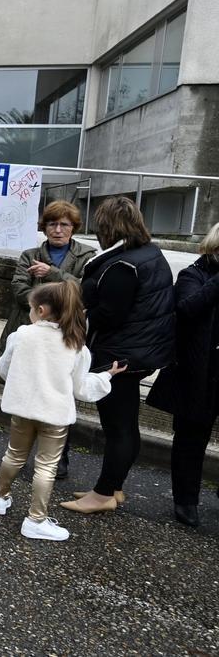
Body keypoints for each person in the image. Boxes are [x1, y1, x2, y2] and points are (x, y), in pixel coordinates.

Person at [61, 197, 174, 515]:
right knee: (124, 425)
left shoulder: (124, 265)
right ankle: (114, 487)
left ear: (108, 227)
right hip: (138, 351)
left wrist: (85, 307)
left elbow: (111, 314)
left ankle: (103, 494)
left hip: (120, 356)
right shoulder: (147, 254)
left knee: (118, 427)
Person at [0, 281, 124, 541]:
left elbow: (4, 369)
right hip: (54, 415)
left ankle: (0, 496)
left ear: (40, 310)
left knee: (14, 454)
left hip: (22, 408)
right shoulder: (76, 346)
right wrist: (106, 376)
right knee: (46, 467)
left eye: (30, 308)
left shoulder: (20, 335)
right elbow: (81, 390)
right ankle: (35, 519)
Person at [0, 200, 95, 478]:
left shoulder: (87, 254)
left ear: (74, 228)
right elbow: (19, 289)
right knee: (26, 390)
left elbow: (86, 290)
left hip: (66, 335)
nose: (58, 230)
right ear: (44, 227)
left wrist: (53, 275)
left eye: (64, 225)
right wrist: (54, 303)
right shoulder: (30, 253)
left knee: (60, 393)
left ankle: (58, 457)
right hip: (32, 330)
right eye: (52, 224)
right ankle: (19, 452)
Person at [146, 221, 219, 528]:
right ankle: (185, 500)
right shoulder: (194, 274)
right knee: (191, 440)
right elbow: (187, 308)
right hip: (198, 374)